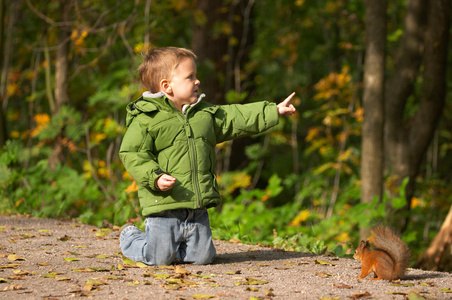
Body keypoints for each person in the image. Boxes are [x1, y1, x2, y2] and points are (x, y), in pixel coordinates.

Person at [119, 46, 296, 266]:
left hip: (196, 206)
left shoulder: (204, 114)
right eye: (190, 77)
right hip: (164, 205)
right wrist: (154, 176)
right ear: (167, 86)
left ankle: (178, 246)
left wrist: (273, 111)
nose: (197, 81)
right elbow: (132, 153)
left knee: (202, 258)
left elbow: (235, 117)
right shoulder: (147, 117)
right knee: (159, 259)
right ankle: (131, 237)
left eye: (196, 76)